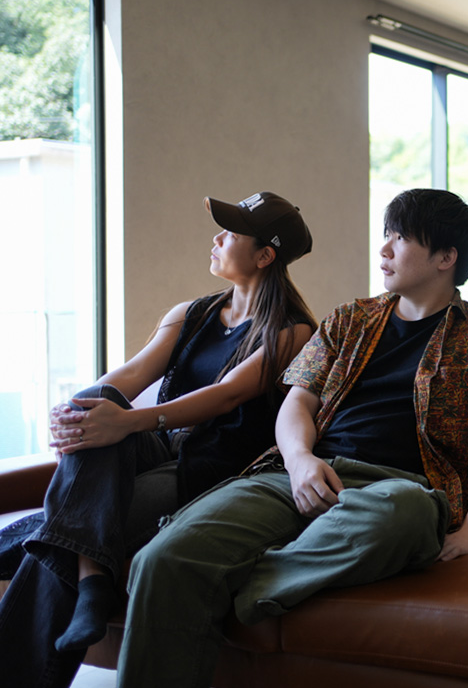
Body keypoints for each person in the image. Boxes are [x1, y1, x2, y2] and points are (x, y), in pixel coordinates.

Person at [114, 188, 468, 687]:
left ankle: (248, 583)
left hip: (396, 488)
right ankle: (247, 566)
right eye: (386, 235)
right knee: (162, 558)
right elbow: (297, 403)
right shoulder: (349, 320)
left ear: (445, 258)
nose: (384, 248)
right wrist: (299, 459)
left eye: (401, 238)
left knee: (403, 511)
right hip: (301, 475)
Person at [0, 191, 317, 688]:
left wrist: (129, 423)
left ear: (264, 256)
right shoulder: (193, 314)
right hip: (161, 451)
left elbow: (226, 396)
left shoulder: (292, 333)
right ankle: (93, 578)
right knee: (99, 399)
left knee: (61, 533)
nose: (217, 238)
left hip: (211, 473)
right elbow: (128, 376)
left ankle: (64, 597)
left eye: (232, 232)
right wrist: (72, 414)